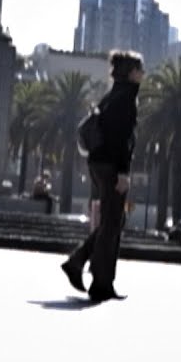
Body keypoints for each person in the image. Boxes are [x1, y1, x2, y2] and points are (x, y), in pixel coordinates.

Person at [59, 50, 144, 302]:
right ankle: (98, 281)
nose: (143, 73)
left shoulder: (112, 95)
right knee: (112, 223)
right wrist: (123, 172)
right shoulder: (126, 98)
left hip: (97, 162)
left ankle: (86, 268)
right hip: (110, 166)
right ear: (130, 72)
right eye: (140, 68)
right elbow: (122, 140)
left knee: (111, 222)